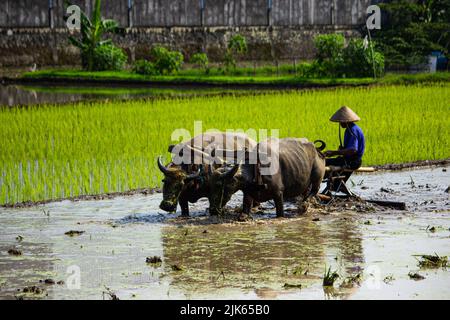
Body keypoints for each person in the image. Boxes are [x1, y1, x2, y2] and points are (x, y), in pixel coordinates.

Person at [324, 106, 365, 181]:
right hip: (349, 160)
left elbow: (353, 150)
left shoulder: (352, 130)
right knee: (335, 185)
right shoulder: (351, 128)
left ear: (345, 121)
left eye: (341, 121)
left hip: (352, 162)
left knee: (324, 162)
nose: (340, 123)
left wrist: (334, 152)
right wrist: (342, 150)